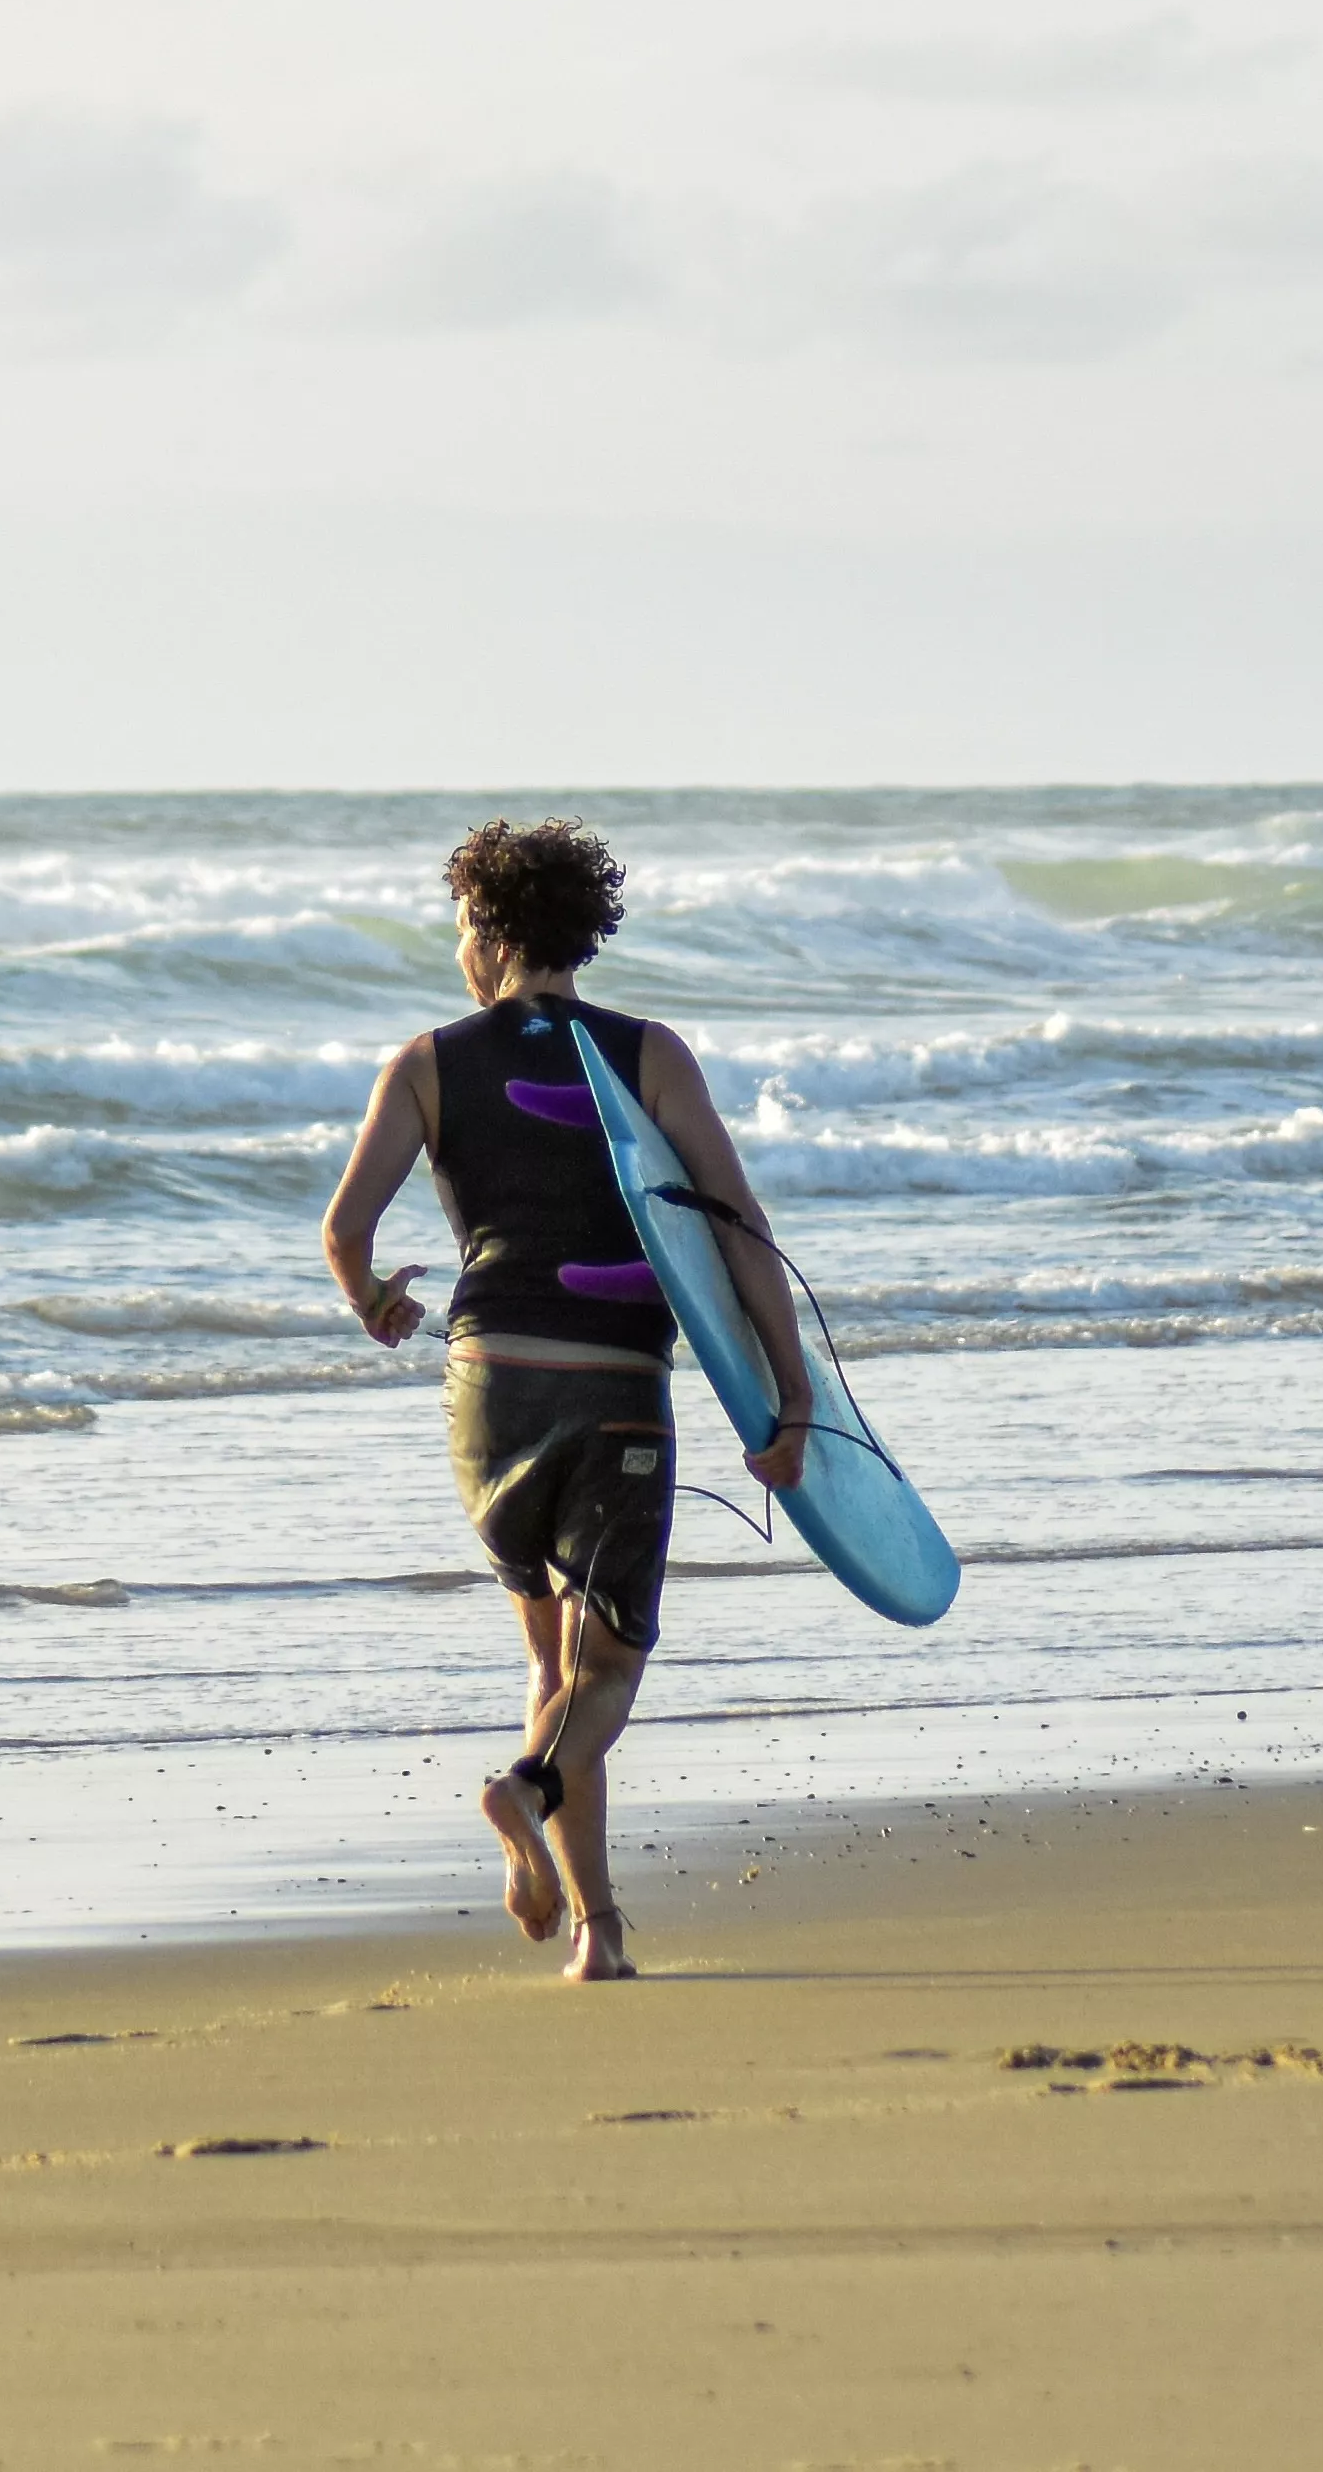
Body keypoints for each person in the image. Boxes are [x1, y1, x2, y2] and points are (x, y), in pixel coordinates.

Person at [318, 817, 810, 1982]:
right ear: (581, 929)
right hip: (618, 1392)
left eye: (457, 928)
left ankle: (601, 1933)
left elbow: (344, 1233)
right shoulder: (650, 1055)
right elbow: (740, 1232)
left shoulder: (425, 1063)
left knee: (552, 1663)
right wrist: (790, 1396)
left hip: (488, 1395)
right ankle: (527, 1799)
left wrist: (376, 1304)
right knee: (608, 1669)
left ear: (486, 929)